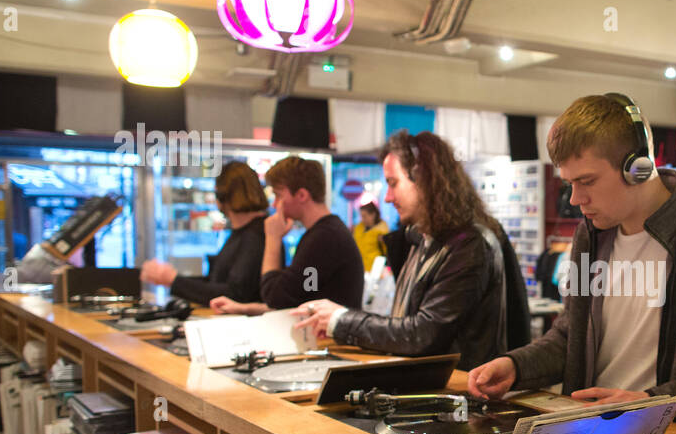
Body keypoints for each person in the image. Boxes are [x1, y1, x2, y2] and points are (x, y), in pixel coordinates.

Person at [467, 92, 676, 430]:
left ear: (638, 169)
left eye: (587, 181)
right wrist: (516, 366)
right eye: (570, 183)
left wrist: (653, 402)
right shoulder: (589, 236)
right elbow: (572, 335)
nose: (576, 199)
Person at [293, 131, 507, 370]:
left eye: (393, 183)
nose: (387, 197)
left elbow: (423, 334)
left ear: (424, 179)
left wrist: (342, 321)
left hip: (460, 396)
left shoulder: (469, 245)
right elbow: (408, 327)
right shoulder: (423, 239)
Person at [210, 156, 364, 314]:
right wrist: (242, 308)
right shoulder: (325, 233)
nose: (275, 204)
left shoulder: (324, 238)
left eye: (278, 195)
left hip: (329, 338)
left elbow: (274, 297)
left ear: (302, 195)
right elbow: (297, 300)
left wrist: (272, 238)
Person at [140, 161, 275, 306]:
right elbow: (217, 282)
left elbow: (236, 294)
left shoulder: (255, 235)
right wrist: (173, 279)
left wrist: (173, 280)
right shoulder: (247, 232)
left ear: (223, 195)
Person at [351, 200, 389, 271]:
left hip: (376, 271)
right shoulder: (359, 228)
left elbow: (387, 252)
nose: (363, 219)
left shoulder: (382, 232)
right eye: (361, 216)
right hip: (359, 269)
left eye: (364, 216)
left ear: (373, 215)